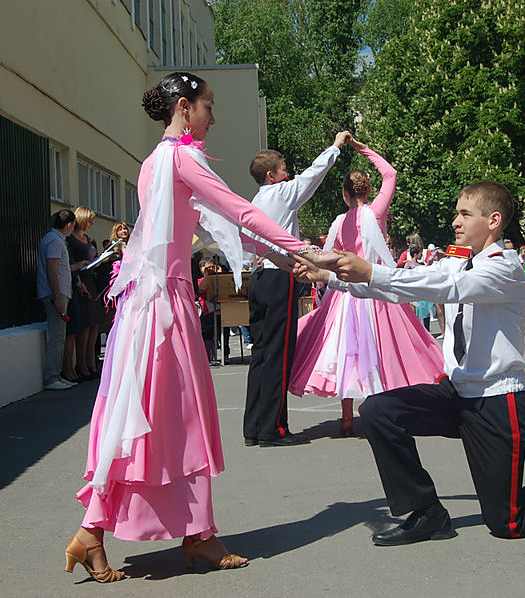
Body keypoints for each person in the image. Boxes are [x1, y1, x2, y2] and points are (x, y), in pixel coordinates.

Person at [64, 72, 336, 583]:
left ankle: (105, 531)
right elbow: (238, 212)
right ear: (185, 108)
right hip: (163, 308)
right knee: (178, 418)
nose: (213, 117)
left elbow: (216, 226)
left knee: (140, 415)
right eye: (209, 107)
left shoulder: (154, 161)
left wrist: (284, 254)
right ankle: (187, 535)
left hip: (146, 305)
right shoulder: (183, 158)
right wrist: (304, 249)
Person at [293, 181, 525, 544]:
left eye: (465, 214)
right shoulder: (459, 261)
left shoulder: (502, 268)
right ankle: (427, 512)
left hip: (496, 402)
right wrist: (332, 277)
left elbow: (444, 290)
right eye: (456, 213)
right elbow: (412, 282)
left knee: (508, 523)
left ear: (493, 220)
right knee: (379, 411)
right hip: (456, 394)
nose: (456, 221)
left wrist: (368, 270)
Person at [289, 141, 444, 436]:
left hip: (344, 294)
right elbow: (391, 174)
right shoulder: (375, 213)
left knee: (345, 352)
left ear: (345, 193)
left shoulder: (338, 222)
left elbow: (328, 257)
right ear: (367, 191)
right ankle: (385, 409)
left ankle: (346, 418)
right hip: (374, 287)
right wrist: (362, 148)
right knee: (387, 349)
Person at [242, 131, 350, 448]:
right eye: (284, 168)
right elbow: (313, 176)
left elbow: (246, 239)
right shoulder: (282, 193)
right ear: (272, 175)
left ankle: (254, 426)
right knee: (279, 353)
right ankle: (273, 429)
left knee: (261, 354)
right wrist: (334, 147)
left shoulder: (254, 202)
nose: (289, 173)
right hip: (279, 276)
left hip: (259, 276)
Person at [36, 210, 78, 390]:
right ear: (68, 225)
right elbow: (52, 269)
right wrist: (58, 297)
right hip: (56, 295)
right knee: (57, 337)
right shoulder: (54, 241)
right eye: (73, 226)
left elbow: (59, 267)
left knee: (60, 336)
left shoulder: (55, 240)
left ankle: (57, 375)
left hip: (58, 293)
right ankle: (52, 377)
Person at [67, 207, 103, 380]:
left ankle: (91, 362)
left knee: (95, 325)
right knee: (85, 326)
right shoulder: (72, 240)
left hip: (92, 281)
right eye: (89, 220)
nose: (91, 224)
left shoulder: (88, 239)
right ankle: (81, 364)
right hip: (81, 283)